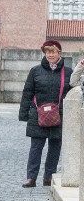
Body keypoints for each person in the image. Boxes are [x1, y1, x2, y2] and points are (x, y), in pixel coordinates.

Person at [19, 39, 72, 188]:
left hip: (59, 115)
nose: (50, 55)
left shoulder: (68, 72)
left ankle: (49, 177)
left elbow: (73, 92)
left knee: (55, 147)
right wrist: (24, 113)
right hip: (38, 114)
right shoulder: (35, 71)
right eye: (47, 52)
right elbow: (27, 93)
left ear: (59, 53)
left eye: (53, 51)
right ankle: (31, 177)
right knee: (36, 147)